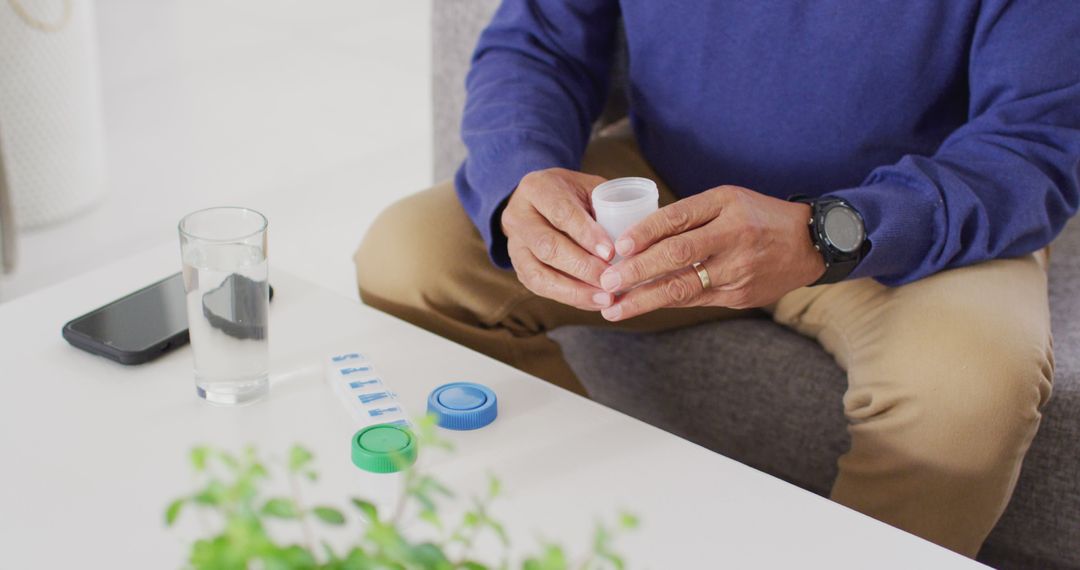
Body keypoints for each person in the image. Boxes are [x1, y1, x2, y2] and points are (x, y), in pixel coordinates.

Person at [355, 0, 1080, 557]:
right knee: (407, 258)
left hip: (900, 222)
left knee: (967, 393)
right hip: (668, 182)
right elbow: (537, 40)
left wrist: (822, 231)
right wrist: (519, 183)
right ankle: (602, 542)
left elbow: (1036, 142)